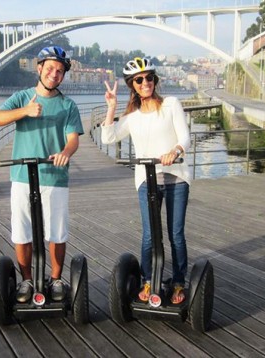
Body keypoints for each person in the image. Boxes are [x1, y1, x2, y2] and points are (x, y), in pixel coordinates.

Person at [0, 46, 84, 303]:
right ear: (39, 68)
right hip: (22, 175)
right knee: (22, 232)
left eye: (60, 71)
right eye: (51, 68)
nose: (55, 74)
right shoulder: (22, 97)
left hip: (54, 176)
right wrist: (25, 112)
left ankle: (55, 280)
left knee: (57, 232)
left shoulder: (67, 105)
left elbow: (73, 139)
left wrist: (66, 152)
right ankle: (27, 281)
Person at [101, 57, 192, 304]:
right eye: (139, 80)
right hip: (146, 180)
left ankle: (179, 282)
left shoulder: (171, 104)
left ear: (155, 80)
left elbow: (185, 137)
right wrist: (111, 107)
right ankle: (149, 279)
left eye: (149, 78)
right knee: (150, 235)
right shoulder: (133, 117)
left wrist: (175, 151)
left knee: (176, 234)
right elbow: (108, 137)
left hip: (176, 177)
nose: (145, 83)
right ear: (133, 85)